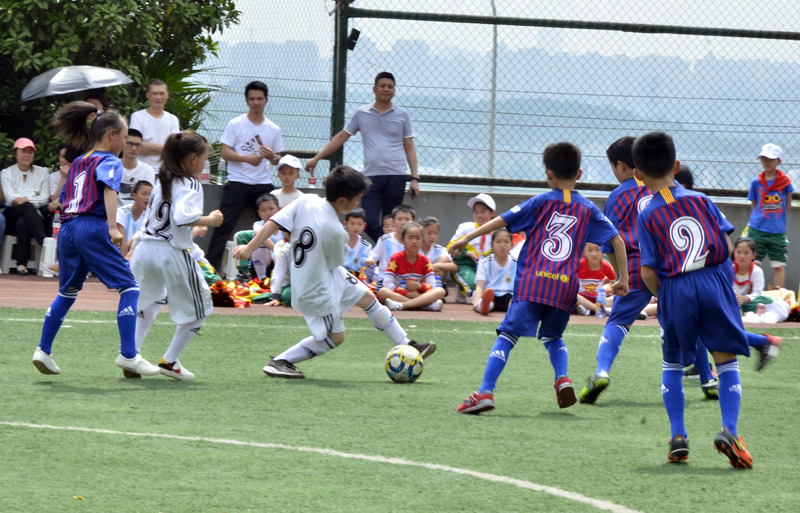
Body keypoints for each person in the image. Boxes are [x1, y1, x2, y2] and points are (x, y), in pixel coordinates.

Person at [451, 142, 629, 414]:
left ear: (548, 174)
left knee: (507, 335)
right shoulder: (589, 208)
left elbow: (500, 220)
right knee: (553, 338)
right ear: (579, 173)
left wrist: (467, 238)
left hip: (534, 284)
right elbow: (617, 239)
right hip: (565, 288)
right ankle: (562, 378)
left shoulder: (540, 202)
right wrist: (622, 279)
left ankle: (485, 391)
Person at [233, 165, 435, 379]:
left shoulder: (307, 199)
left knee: (367, 297)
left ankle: (408, 345)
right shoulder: (336, 231)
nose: (358, 203)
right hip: (315, 288)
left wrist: (249, 247)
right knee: (336, 337)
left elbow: (274, 222)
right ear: (342, 201)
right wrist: (336, 301)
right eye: (356, 199)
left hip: (324, 274)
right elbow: (335, 261)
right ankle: (281, 361)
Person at [633, 131, 757, 468]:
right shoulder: (702, 200)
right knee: (725, 360)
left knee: (672, 362)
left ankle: (678, 437)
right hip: (714, 279)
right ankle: (729, 429)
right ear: (676, 165)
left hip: (675, 287)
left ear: (637, 174)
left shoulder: (647, 215)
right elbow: (728, 246)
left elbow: (646, 272)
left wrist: (666, 297)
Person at [31, 101, 160, 377]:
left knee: (67, 292)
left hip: (68, 228)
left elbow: (66, 197)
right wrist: (113, 228)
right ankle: (129, 355)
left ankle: (43, 350)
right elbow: (109, 190)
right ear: (112, 134)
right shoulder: (110, 160)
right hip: (91, 226)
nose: (126, 143)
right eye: (125, 137)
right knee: (129, 287)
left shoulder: (79, 160)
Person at [129, 131, 223, 381]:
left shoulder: (162, 179)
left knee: (149, 301)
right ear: (193, 158)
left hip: (145, 248)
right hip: (171, 252)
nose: (204, 164)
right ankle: (170, 361)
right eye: (204, 158)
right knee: (201, 308)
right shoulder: (190, 184)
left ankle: (132, 354)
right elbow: (183, 218)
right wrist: (210, 220)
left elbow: (152, 215)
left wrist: (135, 242)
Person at [577, 137, 662, 404]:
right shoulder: (664, 186)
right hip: (670, 264)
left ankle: (601, 372)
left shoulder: (618, 196)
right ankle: (708, 379)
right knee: (687, 321)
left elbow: (612, 242)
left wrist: (619, 277)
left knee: (617, 322)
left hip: (637, 265)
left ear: (621, 165)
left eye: (613, 168)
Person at [306, 72, 420, 243]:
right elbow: (341, 137)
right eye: (382, 86)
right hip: (370, 177)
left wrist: (415, 178)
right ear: (374, 89)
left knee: (393, 224)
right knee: (371, 221)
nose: (386, 89)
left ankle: (388, 254)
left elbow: (409, 146)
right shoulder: (362, 113)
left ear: (394, 91)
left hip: (396, 176)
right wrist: (316, 158)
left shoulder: (402, 115)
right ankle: (390, 249)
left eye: (390, 87)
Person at [206, 81, 284, 270]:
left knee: (274, 224)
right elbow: (224, 152)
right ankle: (210, 269)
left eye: (259, 99)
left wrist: (272, 156)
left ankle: (276, 269)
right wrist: (245, 158)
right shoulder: (236, 124)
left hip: (262, 183)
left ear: (266, 100)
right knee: (223, 225)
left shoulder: (273, 128)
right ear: (246, 101)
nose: (256, 102)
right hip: (237, 181)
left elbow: (279, 159)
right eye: (252, 99)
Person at [744, 143, 793, 289]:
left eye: (771, 159)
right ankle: (749, 297)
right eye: (764, 158)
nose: (767, 162)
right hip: (757, 229)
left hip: (777, 231)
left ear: (779, 161)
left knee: (778, 264)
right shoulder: (756, 182)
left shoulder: (785, 183)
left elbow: (788, 206)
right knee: (753, 264)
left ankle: (778, 297)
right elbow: (754, 205)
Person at [1, 138, 53, 274]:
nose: (27, 155)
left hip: (35, 218)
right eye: (23, 151)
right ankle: (46, 245)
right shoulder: (6, 173)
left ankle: (21, 265)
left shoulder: (43, 172)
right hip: (11, 215)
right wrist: (33, 194)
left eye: (30, 152)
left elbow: (45, 199)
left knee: (23, 221)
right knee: (27, 208)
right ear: (15, 153)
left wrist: (24, 198)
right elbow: (12, 199)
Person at [379, 221, 445, 311]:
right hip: (401, 294)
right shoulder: (395, 258)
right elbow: (387, 283)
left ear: (422, 241)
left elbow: (432, 285)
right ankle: (424, 305)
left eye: (418, 238)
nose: (414, 242)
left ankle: (403, 305)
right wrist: (408, 294)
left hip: (416, 294)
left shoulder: (425, 261)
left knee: (440, 291)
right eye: (410, 238)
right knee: (383, 291)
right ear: (402, 241)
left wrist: (419, 286)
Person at [447, 193, 495, 303]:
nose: (479, 215)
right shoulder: (466, 228)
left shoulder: (496, 233)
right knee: (475, 286)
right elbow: (450, 248)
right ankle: (466, 290)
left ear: (492, 213)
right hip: (465, 265)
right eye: (476, 211)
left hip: (485, 268)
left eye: (483, 211)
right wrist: (467, 254)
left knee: (494, 287)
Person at [129, 79, 181, 173]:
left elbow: (175, 150)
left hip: (166, 170)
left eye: (161, 93)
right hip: (141, 170)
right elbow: (137, 147)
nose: (158, 97)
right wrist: (165, 149)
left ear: (167, 95)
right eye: (154, 93)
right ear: (147, 95)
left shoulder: (173, 119)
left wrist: (151, 146)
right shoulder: (137, 117)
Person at [365, 204, 415, 288]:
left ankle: (403, 300)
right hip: (385, 282)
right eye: (399, 219)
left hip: (408, 284)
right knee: (384, 292)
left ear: (414, 222)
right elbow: (373, 256)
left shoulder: (416, 241)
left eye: (407, 219)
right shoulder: (385, 239)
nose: (403, 222)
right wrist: (370, 259)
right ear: (393, 222)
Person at [473, 227, 516, 316]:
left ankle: (513, 308)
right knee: (486, 303)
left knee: (514, 304)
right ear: (492, 245)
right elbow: (479, 286)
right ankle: (484, 307)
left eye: (506, 242)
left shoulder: (516, 263)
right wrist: (476, 304)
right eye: (498, 242)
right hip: (490, 295)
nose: (502, 245)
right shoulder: (484, 262)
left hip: (508, 295)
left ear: (512, 245)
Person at [574, 242, 616, 316]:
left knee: (617, 298)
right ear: (584, 252)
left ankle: (587, 309)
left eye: (597, 250)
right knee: (574, 297)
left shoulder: (607, 267)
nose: (594, 254)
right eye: (590, 250)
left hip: (598, 297)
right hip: (582, 296)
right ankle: (597, 308)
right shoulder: (579, 265)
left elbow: (612, 281)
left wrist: (607, 286)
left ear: (603, 251)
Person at [419, 216, 457, 295]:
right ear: (421, 233)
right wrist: (430, 267)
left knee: (443, 258)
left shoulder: (440, 249)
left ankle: (437, 289)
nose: (432, 236)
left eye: (435, 233)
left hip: (434, 282)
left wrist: (438, 265)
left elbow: (454, 267)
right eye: (429, 233)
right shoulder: (415, 249)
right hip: (418, 283)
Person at [118, 128, 156, 207]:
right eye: (130, 144)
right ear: (122, 144)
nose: (134, 148)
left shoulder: (147, 170)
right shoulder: (112, 167)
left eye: (137, 145)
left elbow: (149, 197)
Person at [116, 180, 152, 256]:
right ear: (134, 195)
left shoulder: (149, 215)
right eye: (144, 194)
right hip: (120, 253)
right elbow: (121, 243)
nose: (147, 198)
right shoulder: (122, 212)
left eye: (150, 195)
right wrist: (125, 264)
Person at [343, 208, 372, 274]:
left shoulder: (366, 246)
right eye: (352, 224)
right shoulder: (338, 241)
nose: (356, 227)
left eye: (359, 224)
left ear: (364, 225)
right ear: (345, 224)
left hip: (357, 278)